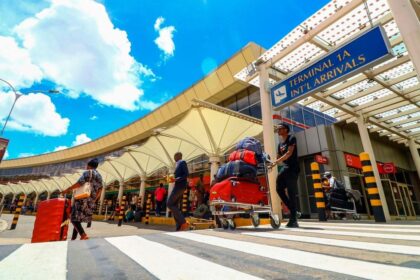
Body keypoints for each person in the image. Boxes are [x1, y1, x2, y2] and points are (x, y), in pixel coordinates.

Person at [61, 158, 103, 240]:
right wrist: (94, 200)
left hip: (82, 198)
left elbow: (79, 183)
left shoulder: (87, 172)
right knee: (78, 219)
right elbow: (100, 189)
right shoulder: (99, 176)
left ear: (89, 165)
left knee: (73, 218)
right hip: (90, 201)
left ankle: (83, 235)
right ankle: (73, 238)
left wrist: (67, 189)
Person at [269, 123, 300, 228]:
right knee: (278, 188)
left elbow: (289, 153)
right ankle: (293, 210)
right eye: (277, 129)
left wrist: (275, 162)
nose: (278, 130)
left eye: (280, 128)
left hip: (293, 168)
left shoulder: (292, 138)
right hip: (286, 168)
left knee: (291, 193)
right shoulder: (280, 144)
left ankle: (293, 220)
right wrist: (271, 163)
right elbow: (278, 156)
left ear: (286, 130)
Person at [167, 152, 190, 231]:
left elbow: (186, 174)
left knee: (169, 203)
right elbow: (176, 176)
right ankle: (179, 226)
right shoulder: (177, 164)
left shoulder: (182, 162)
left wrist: (176, 179)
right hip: (178, 186)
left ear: (178, 156)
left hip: (180, 186)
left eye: (174, 156)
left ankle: (183, 222)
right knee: (174, 205)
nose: (174, 158)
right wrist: (169, 178)